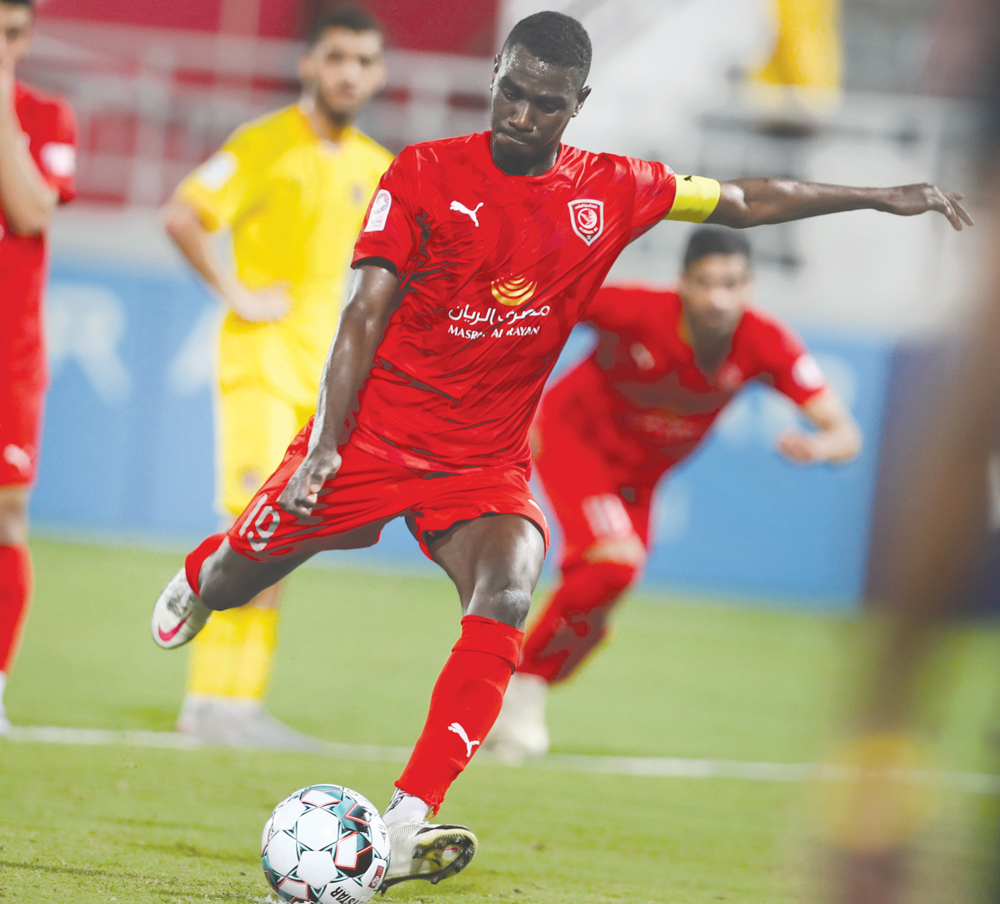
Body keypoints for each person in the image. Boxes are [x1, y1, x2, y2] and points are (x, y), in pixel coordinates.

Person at [149, 10, 971, 889]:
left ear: (578, 104)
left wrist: (880, 197)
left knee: (508, 587)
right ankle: (204, 577)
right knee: (241, 576)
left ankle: (404, 818)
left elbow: (741, 198)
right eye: (511, 92)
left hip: (484, 463)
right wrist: (325, 447)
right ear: (496, 75)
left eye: (545, 105)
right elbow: (362, 313)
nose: (521, 116)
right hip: (375, 437)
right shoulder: (424, 171)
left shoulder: (614, 189)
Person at [484, 225, 862, 764]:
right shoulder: (638, 310)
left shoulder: (765, 341)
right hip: (574, 441)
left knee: (605, 586)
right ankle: (521, 688)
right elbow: (551, 298)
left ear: (749, 286)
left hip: (641, 478)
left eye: (731, 283)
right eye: (706, 283)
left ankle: (523, 686)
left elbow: (847, 435)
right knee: (616, 562)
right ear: (682, 283)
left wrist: (819, 446)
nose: (718, 298)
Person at [161, 7, 392, 750]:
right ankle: (207, 700)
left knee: (286, 533)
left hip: (328, 387)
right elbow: (184, 215)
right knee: (249, 526)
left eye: (363, 60)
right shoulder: (263, 143)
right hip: (262, 366)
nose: (349, 72)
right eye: (337, 58)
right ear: (308, 65)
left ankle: (241, 703)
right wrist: (237, 295)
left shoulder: (377, 166)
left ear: (379, 73)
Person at [0, 0, 76, 735]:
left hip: (9, 356)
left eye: (12, 32)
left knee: (6, 516)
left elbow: (29, 211)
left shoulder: (46, 115)